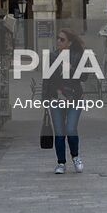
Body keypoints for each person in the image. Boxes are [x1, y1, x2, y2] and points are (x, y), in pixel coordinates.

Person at [43, 28, 86, 174]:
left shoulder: (78, 56)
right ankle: (61, 163)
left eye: (62, 40)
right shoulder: (52, 57)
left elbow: (84, 77)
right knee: (60, 132)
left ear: (69, 43)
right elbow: (46, 78)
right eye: (58, 38)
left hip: (74, 98)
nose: (58, 42)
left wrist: (70, 67)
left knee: (71, 129)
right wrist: (45, 99)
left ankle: (76, 157)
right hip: (56, 99)